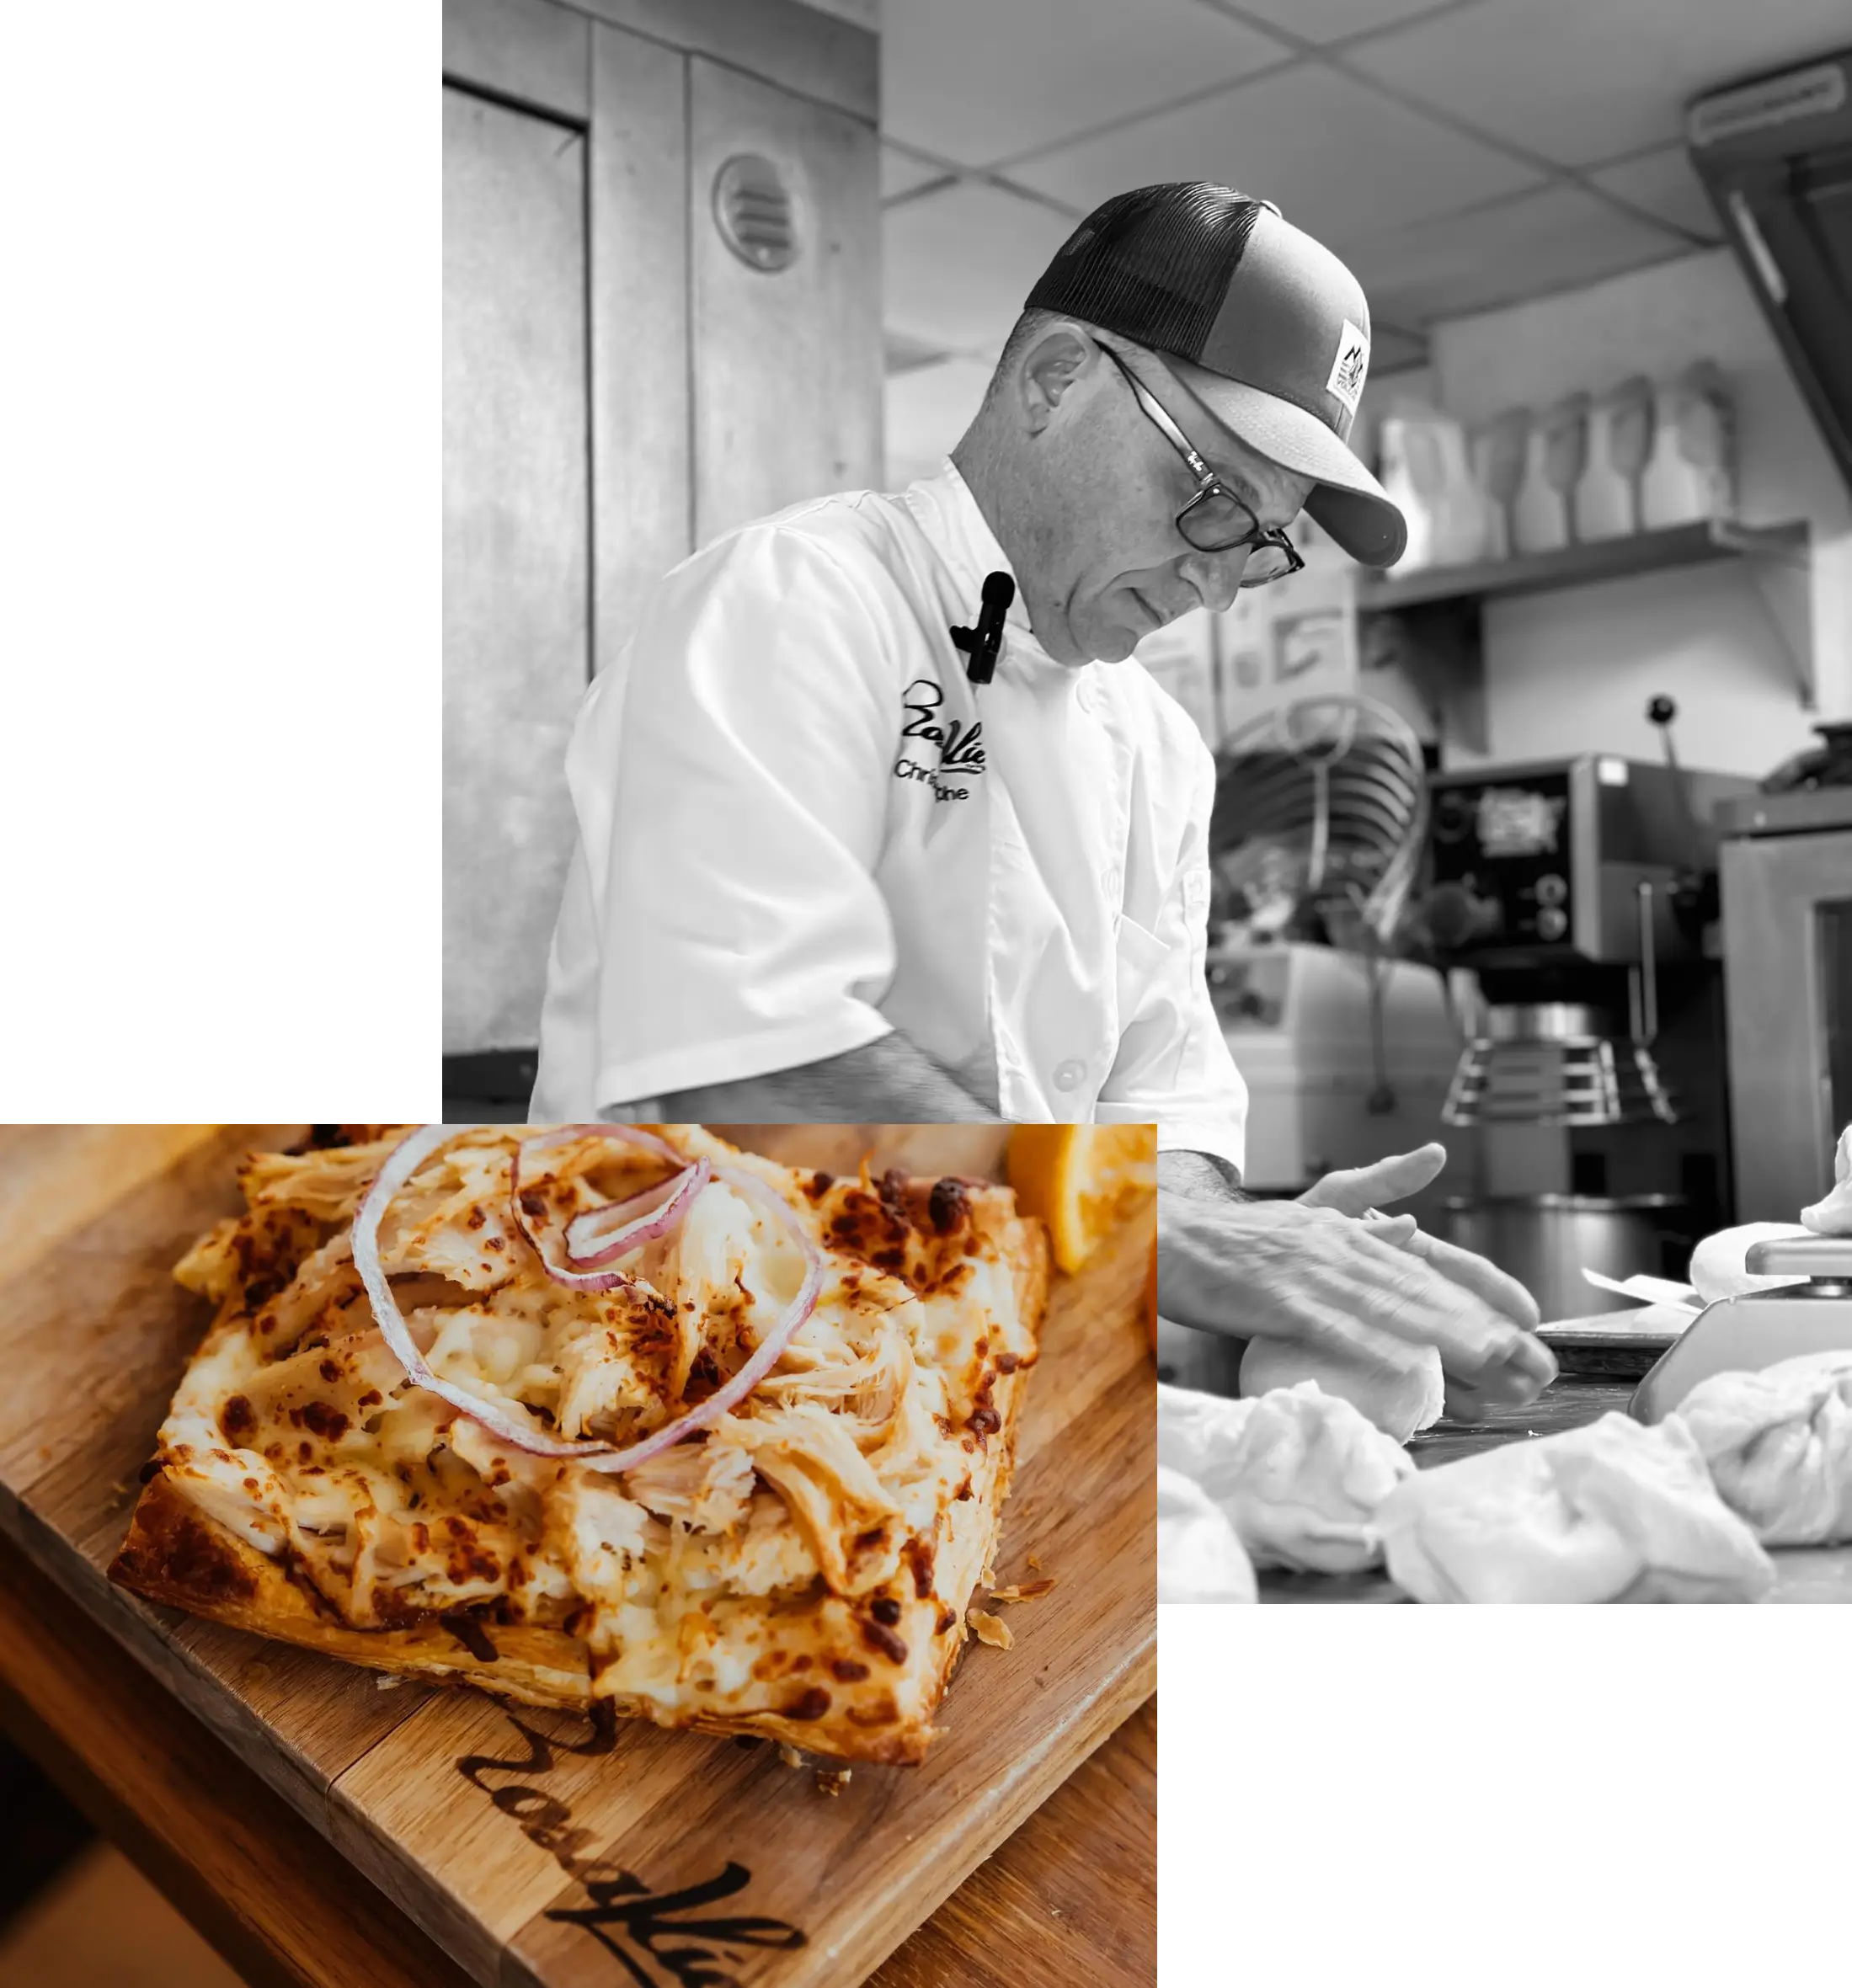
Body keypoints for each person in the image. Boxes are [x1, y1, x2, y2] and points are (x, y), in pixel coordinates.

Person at [529, 179, 1554, 1411]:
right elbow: (746, 1064)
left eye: (1263, 544)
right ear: (1056, 379)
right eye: (1216, 498)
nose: (1219, 582)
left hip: (950, 1401)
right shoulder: (794, 602)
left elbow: (1157, 1112)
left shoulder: (1155, 746)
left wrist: (1256, 1241)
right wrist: (1158, 1233)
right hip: (657, 1384)